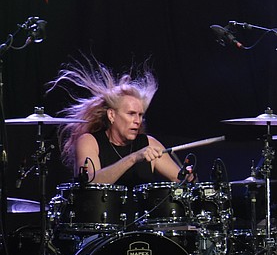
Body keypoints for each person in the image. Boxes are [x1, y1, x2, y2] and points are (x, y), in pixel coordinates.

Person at [48, 57, 184, 186]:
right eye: (131, 114)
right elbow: (89, 182)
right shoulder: (89, 141)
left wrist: (189, 176)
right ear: (112, 115)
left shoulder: (149, 143)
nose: (138, 121)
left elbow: (180, 179)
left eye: (140, 115)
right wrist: (133, 158)